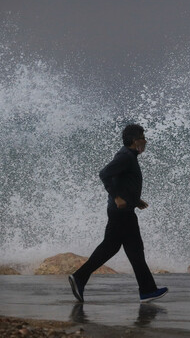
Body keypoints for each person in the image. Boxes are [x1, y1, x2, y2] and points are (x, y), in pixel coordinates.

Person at [69, 124, 168, 303]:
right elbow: (105, 174)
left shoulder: (129, 155)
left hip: (124, 211)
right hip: (121, 213)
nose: (145, 140)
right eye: (142, 136)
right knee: (120, 249)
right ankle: (80, 277)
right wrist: (117, 197)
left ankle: (147, 290)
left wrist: (134, 200)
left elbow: (121, 180)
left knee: (128, 250)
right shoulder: (125, 157)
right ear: (134, 140)